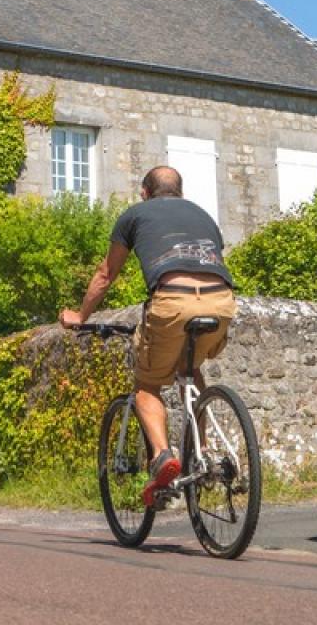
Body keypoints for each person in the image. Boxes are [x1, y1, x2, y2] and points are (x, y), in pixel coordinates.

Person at [60, 166, 237, 505]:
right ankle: (203, 452)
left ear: (145, 192)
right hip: (222, 300)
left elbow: (105, 275)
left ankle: (161, 456)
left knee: (147, 385)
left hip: (172, 299)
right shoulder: (203, 215)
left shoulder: (135, 215)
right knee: (191, 368)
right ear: (180, 192)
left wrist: (79, 316)